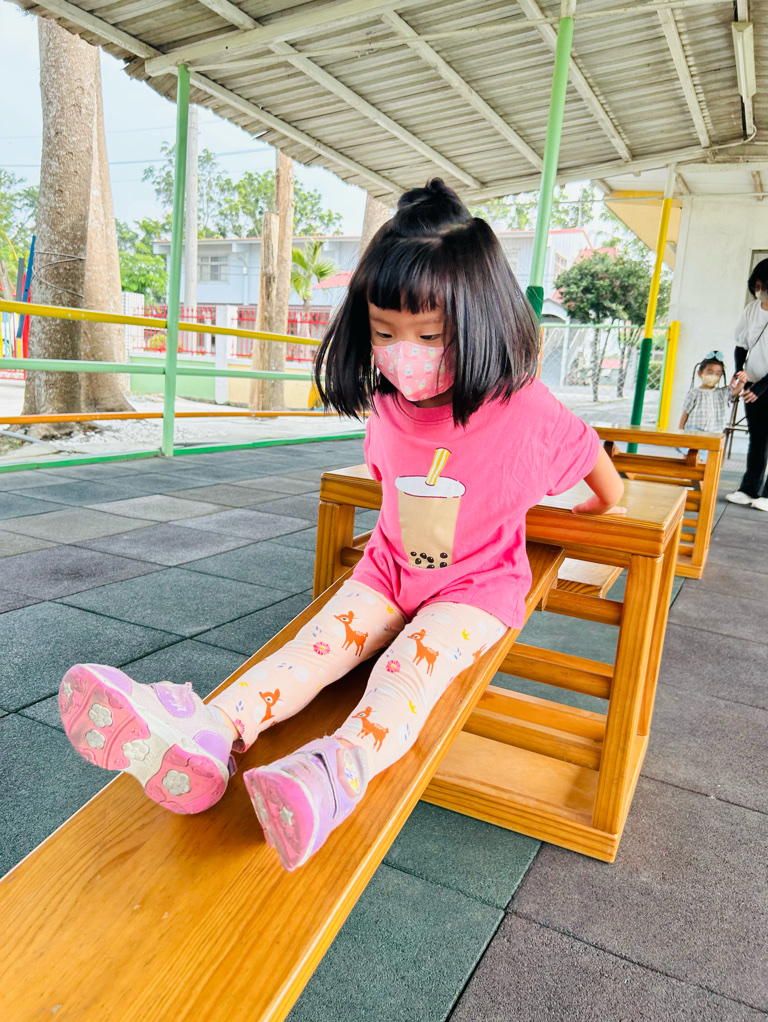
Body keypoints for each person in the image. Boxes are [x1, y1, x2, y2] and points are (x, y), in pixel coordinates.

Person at [58, 180, 624, 872]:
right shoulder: (389, 406)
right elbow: (402, 481)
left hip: (474, 591)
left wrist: (594, 510)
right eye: (384, 332)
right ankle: (205, 733)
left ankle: (334, 773)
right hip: (387, 573)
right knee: (311, 650)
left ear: (481, 321)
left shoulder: (527, 409)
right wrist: (593, 502)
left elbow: (596, 467)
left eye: (429, 335)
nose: (402, 352)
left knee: (405, 674)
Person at [727, 258, 768, 511]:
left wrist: (762, 387)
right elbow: (741, 345)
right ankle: (748, 489)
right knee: (757, 437)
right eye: (757, 286)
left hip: (762, 386)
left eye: (764, 286)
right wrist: (739, 371)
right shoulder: (752, 310)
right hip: (753, 384)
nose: (760, 291)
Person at [678, 351, 734, 434]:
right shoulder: (694, 393)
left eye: (717, 374)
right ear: (700, 373)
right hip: (694, 430)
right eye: (710, 372)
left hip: (715, 431)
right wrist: (680, 430)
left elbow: (736, 390)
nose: (713, 376)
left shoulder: (722, 393)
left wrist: (740, 377)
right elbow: (685, 412)